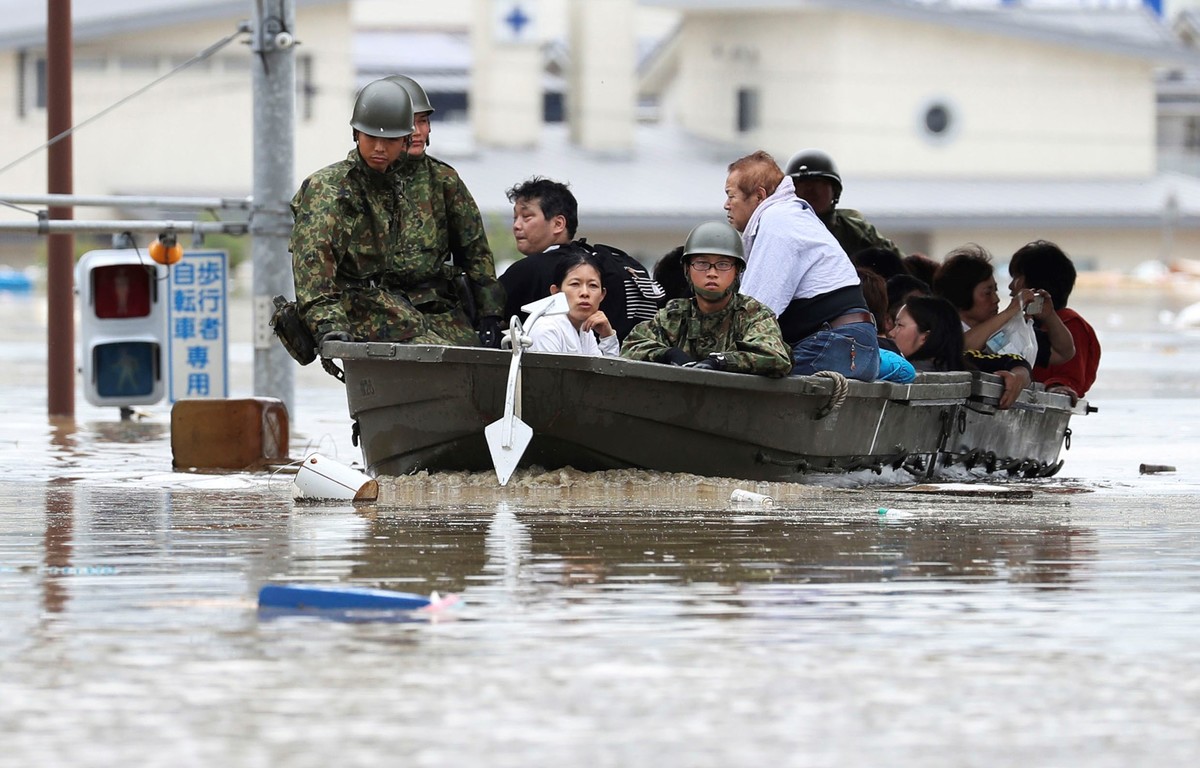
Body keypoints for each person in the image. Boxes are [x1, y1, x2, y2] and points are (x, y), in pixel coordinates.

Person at [290, 78, 447, 346]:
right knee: (437, 357)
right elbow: (314, 270)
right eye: (371, 137)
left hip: (388, 307)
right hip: (349, 314)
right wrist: (329, 324)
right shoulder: (331, 189)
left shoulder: (392, 184)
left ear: (405, 141)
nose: (379, 148)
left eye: (390, 140)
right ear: (356, 135)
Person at [726, 150, 880, 381]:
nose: (726, 205)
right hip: (855, 347)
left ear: (759, 196)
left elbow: (756, 311)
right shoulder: (792, 216)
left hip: (833, 346)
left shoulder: (778, 221)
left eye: (731, 196)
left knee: (742, 388)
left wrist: (714, 356)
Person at [385, 74, 506, 347]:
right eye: (409, 123)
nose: (417, 132)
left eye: (423, 121)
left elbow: (475, 251)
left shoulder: (443, 180)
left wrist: (490, 314)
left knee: (470, 361)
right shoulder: (364, 181)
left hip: (436, 305)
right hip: (381, 306)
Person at [499, 177, 663, 341]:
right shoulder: (603, 260)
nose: (516, 225)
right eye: (515, 218)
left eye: (526, 217)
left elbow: (486, 316)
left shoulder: (529, 269)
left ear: (558, 224)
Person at [621, 221, 792, 376]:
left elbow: (775, 357)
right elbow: (631, 348)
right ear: (688, 270)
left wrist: (721, 362)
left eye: (723, 264)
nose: (712, 273)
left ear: (737, 271)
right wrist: (669, 354)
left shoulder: (753, 314)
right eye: (702, 263)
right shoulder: (673, 315)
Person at [932, 243, 1074, 367]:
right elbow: (958, 348)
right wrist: (1009, 312)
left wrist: (1050, 317)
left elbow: (1063, 353)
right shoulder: (937, 328)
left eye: (996, 290)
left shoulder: (1006, 331)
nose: (996, 299)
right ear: (961, 295)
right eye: (987, 293)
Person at [889, 295, 1033, 410]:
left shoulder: (964, 361)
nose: (891, 333)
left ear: (925, 337)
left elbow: (1015, 361)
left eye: (899, 325)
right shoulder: (883, 359)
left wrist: (1018, 377)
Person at [1008, 240, 1100, 402]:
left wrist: (1059, 388)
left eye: (1016, 278)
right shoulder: (1022, 324)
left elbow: (1069, 377)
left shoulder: (1071, 324)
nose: (1010, 287)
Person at [784, 149, 904, 262]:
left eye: (819, 182)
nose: (810, 189)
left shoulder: (856, 231)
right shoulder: (779, 229)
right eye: (801, 184)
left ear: (834, 191)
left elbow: (901, 265)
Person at [527, 252, 619, 357]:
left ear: (602, 295)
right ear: (556, 292)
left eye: (593, 285)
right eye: (575, 284)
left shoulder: (585, 330)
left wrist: (607, 336)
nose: (585, 293)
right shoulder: (546, 329)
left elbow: (606, 371)